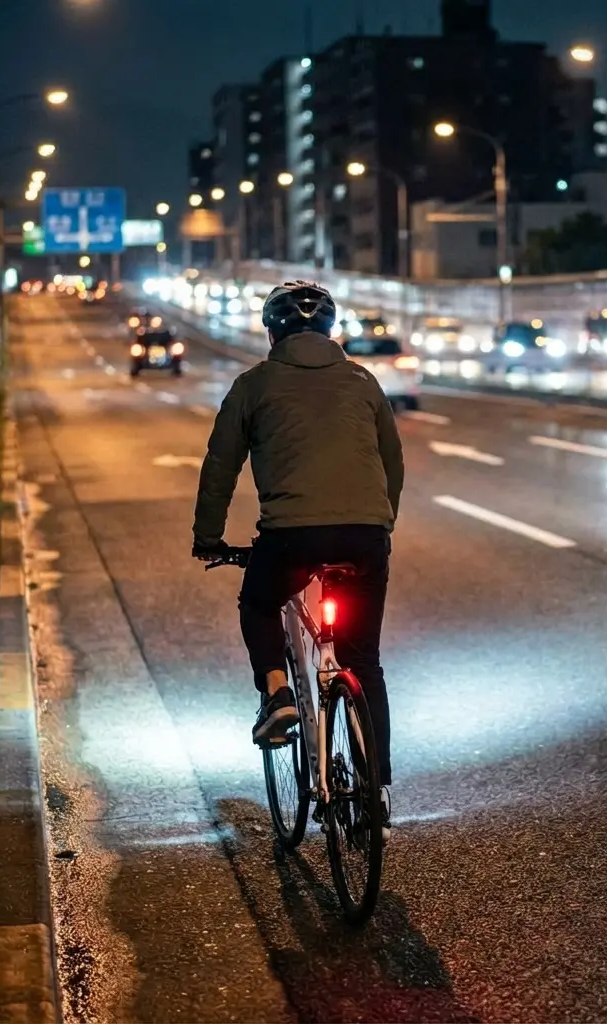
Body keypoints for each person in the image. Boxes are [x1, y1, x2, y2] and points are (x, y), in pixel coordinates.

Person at [191, 280, 403, 835]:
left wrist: (208, 538)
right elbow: (391, 464)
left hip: (291, 538)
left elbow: (220, 467)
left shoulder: (254, 384)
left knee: (260, 604)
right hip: (364, 536)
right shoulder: (363, 381)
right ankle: (375, 787)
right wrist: (381, 526)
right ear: (332, 332)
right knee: (364, 659)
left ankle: (278, 693)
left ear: (271, 334)